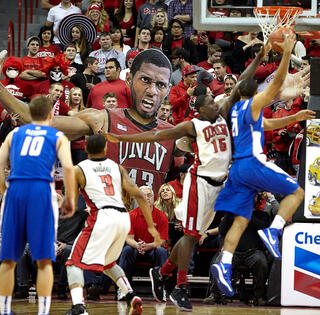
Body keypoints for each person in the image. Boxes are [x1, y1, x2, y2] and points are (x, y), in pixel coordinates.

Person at [104, 40, 312, 311]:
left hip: (220, 184)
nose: (217, 104)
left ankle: (163, 272)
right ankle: (180, 287)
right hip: (198, 184)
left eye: (217, 103)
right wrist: (121, 137)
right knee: (190, 236)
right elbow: (157, 134)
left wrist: (261, 55)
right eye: (211, 104)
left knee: (219, 226)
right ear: (200, 109)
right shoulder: (193, 125)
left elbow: (244, 85)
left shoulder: (226, 116)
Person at [0, 43, 181, 197]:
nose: (152, 91)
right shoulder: (102, 119)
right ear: (129, 78)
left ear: (168, 90)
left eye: (160, 85)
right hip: (107, 227)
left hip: (151, 231)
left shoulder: (175, 134)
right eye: (145, 80)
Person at [210, 34, 316, 298]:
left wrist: (296, 115)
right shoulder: (253, 102)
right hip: (252, 163)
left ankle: (224, 263)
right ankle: (274, 229)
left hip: (237, 171)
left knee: (240, 220)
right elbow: (275, 85)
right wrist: (286, 54)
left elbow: (268, 125)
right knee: (297, 192)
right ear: (254, 92)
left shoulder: (236, 110)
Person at [0, 95, 76, 315]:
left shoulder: (14, 133)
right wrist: (70, 198)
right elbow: (67, 167)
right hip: (40, 189)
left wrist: (5, 190)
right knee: (44, 259)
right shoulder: (57, 135)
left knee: (8, 258)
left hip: (15, 189)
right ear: (51, 114)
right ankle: (43, 312)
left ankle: (4, 310)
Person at [64, 134, 161, 315]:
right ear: (106, 149)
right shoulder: (118, 167)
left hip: (102, 216)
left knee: (73, 263)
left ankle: (79, 307)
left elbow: (70, 202)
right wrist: (151, 226)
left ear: (85, 149)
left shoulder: (78, 169)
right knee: (108, 263)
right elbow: (139, 195)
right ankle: (131, 295)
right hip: (123, 217)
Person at [117, 185, 168, 296]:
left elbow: (162, 241)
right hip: (136, 248)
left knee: (162, 251)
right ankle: (123, 288)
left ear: (154, 198)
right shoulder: (130, 215)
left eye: (149, 195)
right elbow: (129, 239)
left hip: (153, 249)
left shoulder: (162, 216)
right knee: (126, 250)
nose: (146, 198)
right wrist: (138, 245)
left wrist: (148, 246)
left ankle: (162, 288)